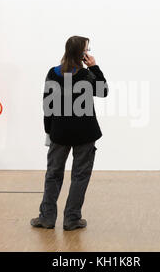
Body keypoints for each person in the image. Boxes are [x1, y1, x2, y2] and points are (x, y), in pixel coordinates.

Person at [31, 36, 108, 231]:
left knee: (53, 175)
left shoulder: (53, 73)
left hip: (60, 133)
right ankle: (71, 219)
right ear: (82, 54)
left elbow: (47, 105)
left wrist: (48, 130)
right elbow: (103, 91)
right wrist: (95, 67)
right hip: (85, 134)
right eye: (87, 49)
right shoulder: (86, 75)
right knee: (80, 176)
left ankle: (47, 218)